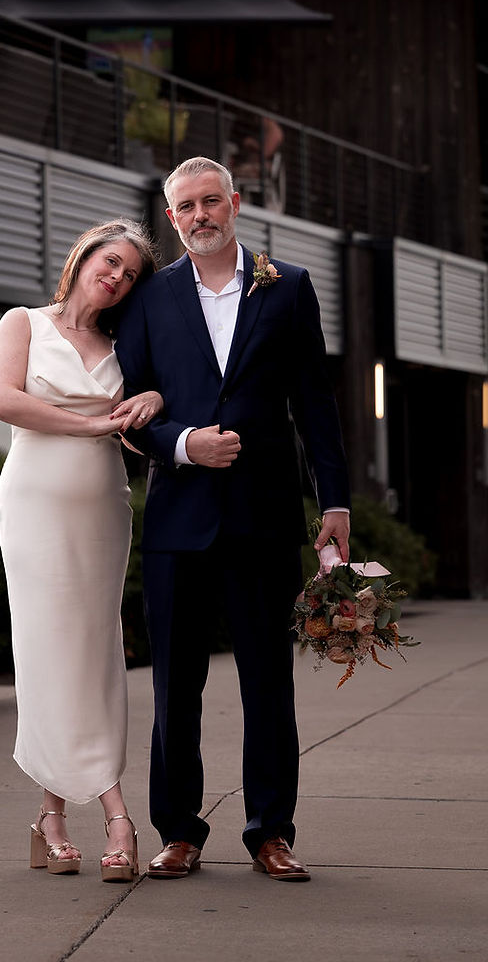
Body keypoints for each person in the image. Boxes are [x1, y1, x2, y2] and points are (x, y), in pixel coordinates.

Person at [114, 156, 351, 884]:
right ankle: (178, 832)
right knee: (173, 688)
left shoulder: (290, 287)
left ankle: (270, 832)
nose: (198, 216)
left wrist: (335, 503)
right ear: (172, 216)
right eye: (184, 207)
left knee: (267, 685)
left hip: (263, 516)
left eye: (210, 201)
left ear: (236, 204)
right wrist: (186, 444)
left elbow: (315, 404)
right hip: (178, 521)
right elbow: (129, 407)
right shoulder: (147, 299)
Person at [0, 219, 161, 881]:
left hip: (102, 509)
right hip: (33, 505)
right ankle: (117, 814)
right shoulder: (23, 322)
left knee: (93, 649)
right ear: (84, 256)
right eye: (109, 262)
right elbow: (1, 400)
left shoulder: (125, 342)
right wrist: (92, 423)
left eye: (128, 275)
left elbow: (137, 437)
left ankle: (50, 818)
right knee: (47, 650)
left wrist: (151, 403)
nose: (114, 277)